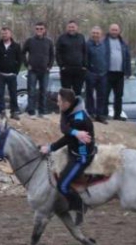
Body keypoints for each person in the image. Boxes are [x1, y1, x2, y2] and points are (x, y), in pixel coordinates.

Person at [39, 88, 95, 226]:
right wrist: (75, 133)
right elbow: (64, 127)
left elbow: (66, 138)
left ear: (66, 103)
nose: (57, 104)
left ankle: (80, 207)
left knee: (62, 185)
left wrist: (50, 148)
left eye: (59, 102)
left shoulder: (79, 119)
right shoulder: (69, 107)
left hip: (81, 155)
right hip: (72, 147)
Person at [22, 22, 54, 119]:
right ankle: (31, 112)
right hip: (33, 70)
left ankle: (42, 112)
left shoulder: (49, 41)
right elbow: (22, 53)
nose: (39, 30)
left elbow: (52, 55)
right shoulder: (30, 41)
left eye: (41, 29)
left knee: (43, 92)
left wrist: (50, 66)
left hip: (45, 71)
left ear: (45, 30)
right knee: (31, 91)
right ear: (35, 30)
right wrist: (27, 64)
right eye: (37, 28)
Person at [0, 26, 22, 120]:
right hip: (0, 74)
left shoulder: (16, 46)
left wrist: (16, 72)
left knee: (13, 94)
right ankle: (2, 111)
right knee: (0, 94)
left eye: (6, 33)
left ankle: (14, 112)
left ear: (10, 34)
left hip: (12, 75)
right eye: (2, 33)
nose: (4, 35)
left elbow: (19, 59)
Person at [105, 23, 131, 121]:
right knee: (105, 95)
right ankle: (104, 114)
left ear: (119, 31)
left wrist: (128, 71)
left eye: (116, 30)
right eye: (112, 30)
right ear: (109, 30)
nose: (114, 32)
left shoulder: (123, 43)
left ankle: (117, 115)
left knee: (119, 95)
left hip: (120, 73)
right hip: (108, 73)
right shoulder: (104, 41)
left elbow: (127, 57)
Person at [84, 26, 109, 124]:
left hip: (103, 74)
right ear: (91, 34)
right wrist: (87, 70)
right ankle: (91, 114)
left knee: (102, 95)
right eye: (93, 33)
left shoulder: (104, 45)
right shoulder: (87, 45)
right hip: (91, 73)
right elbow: (85, 58)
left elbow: (107, 57)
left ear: (101, 35)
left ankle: (100, 115)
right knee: (89, 95)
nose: (95, 35)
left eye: (97, 33)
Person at [56, 20, 87, 95]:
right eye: (69, 27)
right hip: (66, 69)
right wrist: (61, 65)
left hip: (79, 69)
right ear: (67, 28)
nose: (71, 29)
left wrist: (84, 65)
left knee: (78, 93)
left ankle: (76, 107)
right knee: (66, 93)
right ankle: (67, 107)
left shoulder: (81, 37)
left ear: (77, 28)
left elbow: (85, 52)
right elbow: (57, 53)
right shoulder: (62, 38)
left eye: (73, 27)